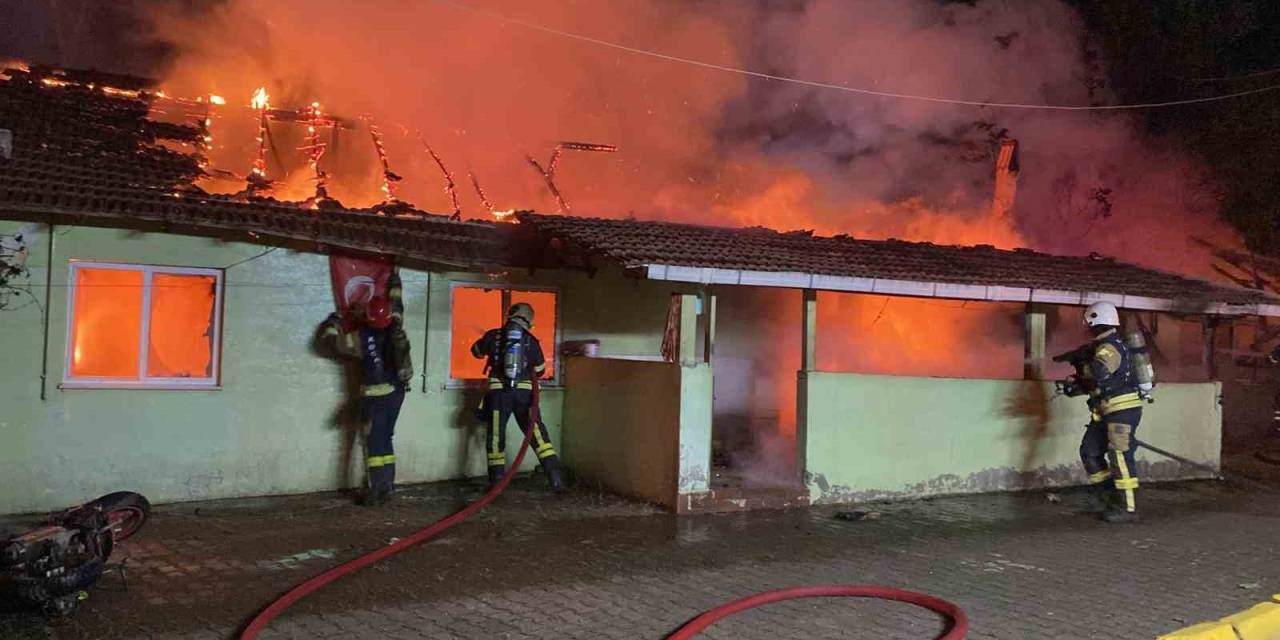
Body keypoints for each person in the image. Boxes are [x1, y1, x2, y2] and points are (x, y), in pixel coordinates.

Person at [321, 273, 413, 506]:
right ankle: (388, 487)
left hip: (375, 397)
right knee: (386, 439)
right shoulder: (396, 326)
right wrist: (395, 281)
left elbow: (330, 343)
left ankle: (375, 491)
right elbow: (397, 303)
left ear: (368, 317)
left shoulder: (360, 338)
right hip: (396, 394)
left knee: (374, 444)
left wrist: (333, 321)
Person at [470, 302, 565, 491]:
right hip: (525, 396)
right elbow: (540, 370)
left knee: (496, 436)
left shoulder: (493, 335)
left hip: (498, 394)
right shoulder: (531, 340)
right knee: (537, 435)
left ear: (510, 316)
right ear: (529, 321)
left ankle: (496, 483)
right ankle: (555, 479)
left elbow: (476, 352)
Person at [1065, 301, 1143, 523]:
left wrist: (1084, 363)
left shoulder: (1109, 346)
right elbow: (1098, 382)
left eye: (1088, 323)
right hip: (1105, 410)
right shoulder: (1102, 346)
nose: (1087, 328)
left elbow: (1100, 372)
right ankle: (1110, 500)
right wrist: (1078, 383)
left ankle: (1128, 508)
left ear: (1095, 321)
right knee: (1089, 452)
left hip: (1121, 410)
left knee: (1120, 455)